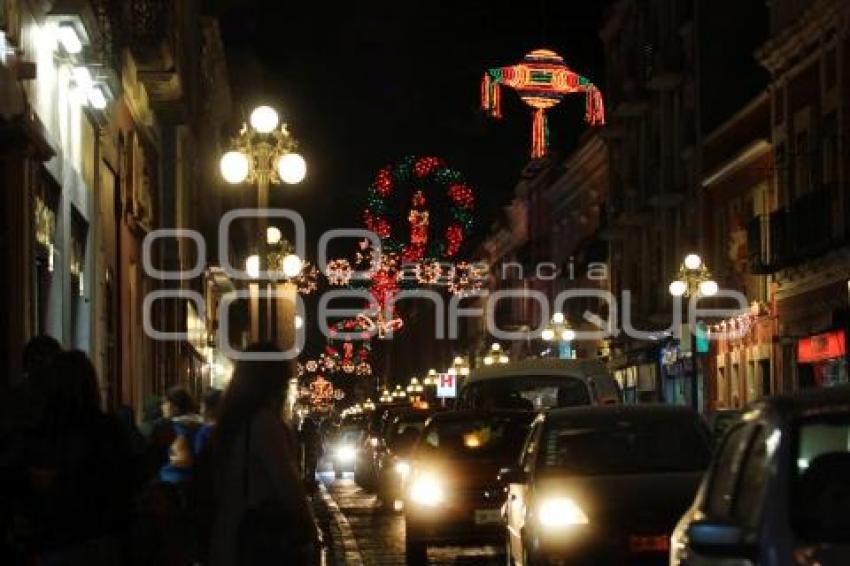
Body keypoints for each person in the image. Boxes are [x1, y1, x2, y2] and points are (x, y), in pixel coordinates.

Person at [16, 350, 134, 564]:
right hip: (100, 540)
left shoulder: (41, 433)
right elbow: (125, 482)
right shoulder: (107, 429)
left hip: (54, 543)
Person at [208, 343, 318, 566]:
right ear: (272, 384)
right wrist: (311, 532)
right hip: (261, 545)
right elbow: (287, 488)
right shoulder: (264, 424)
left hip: (230, 540)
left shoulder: (231, 422)